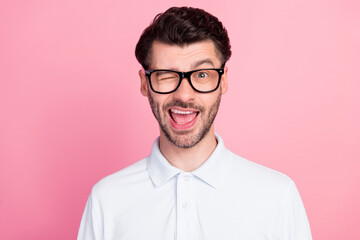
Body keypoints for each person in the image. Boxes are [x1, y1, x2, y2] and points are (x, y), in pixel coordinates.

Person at [77, 6, 312, 240]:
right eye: (167, 75)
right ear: (144, 83)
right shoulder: (107, 200)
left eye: (201, 74)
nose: (185, 95)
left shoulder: (277, 196)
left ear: (223, 80)